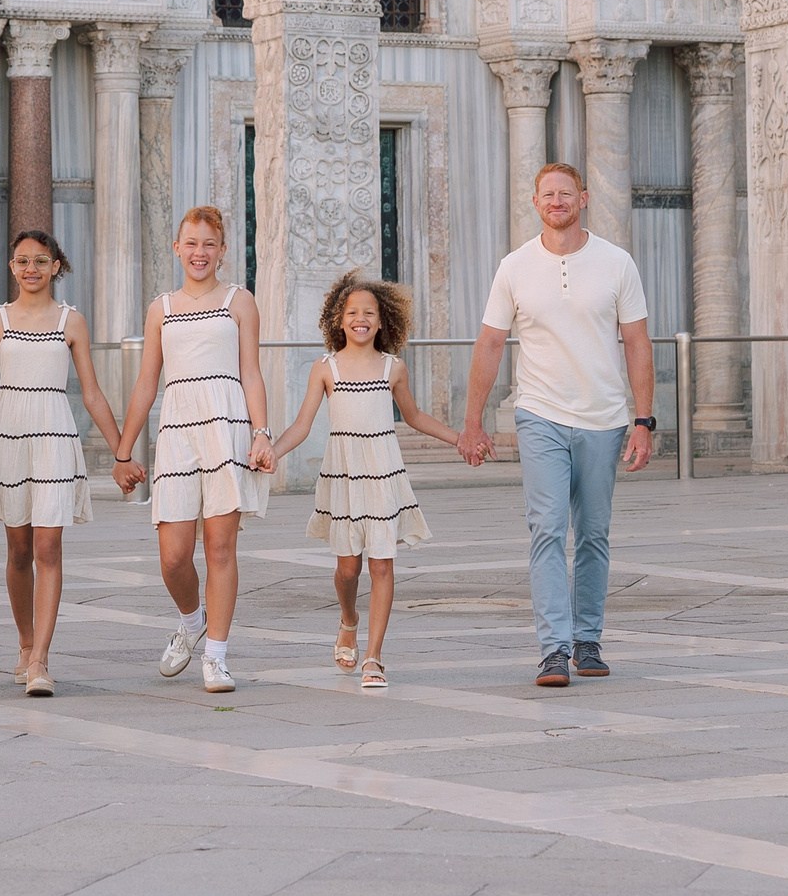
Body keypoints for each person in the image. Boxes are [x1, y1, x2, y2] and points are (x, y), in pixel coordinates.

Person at [459, 163, 656, 688]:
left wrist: (643, 420)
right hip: (539, 413)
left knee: (592, 533)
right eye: (548, 194)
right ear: (535, 201)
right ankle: (553, 648)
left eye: (566, 193)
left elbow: (636, 342)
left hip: (604, 418)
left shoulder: (616, 263)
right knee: (546, 529)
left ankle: (587, 639)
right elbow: (490, 344)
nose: (557, 201)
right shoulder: (514, 266)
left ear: (583, 199)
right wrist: (473, 422)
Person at [0, 230, 141, 698]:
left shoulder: (72, 321)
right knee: (19, 550)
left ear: (55, 266)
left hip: (53, 433)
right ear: (12, 267)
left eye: (40, 261)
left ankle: (42, 660)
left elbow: (91, 393)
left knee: (48, 546)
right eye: (23, 261)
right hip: (7, 433)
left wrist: (121, 454)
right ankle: (25, 644)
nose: (31, 269)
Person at [272, 273, 456, 691]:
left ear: (381, 321)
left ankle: (374, 657)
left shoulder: (393, 367)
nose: (360, 319)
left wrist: (458, 438)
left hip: (383, 472)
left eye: (369, 313)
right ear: (338, 319)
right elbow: (302, 425)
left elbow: (414, 417)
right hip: (344, 474)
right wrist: (272, 452)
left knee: (382, 563)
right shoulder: (326, 367)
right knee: (347, 567)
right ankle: (348, 620)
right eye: (352, 312)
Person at [115, 206, 273, 694]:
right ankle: (191, 619)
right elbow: (146, 382)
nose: (200, 252)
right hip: (178, 429)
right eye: (191, 242)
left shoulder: (238, 301)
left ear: (222, 250)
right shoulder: (160, 308)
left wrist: (261, 432)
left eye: (209, 243)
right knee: (173, 557)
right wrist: (124, 451)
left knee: (221, 548)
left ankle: (217, 657)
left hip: (227, 427)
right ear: (177, 247)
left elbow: (250, 372)